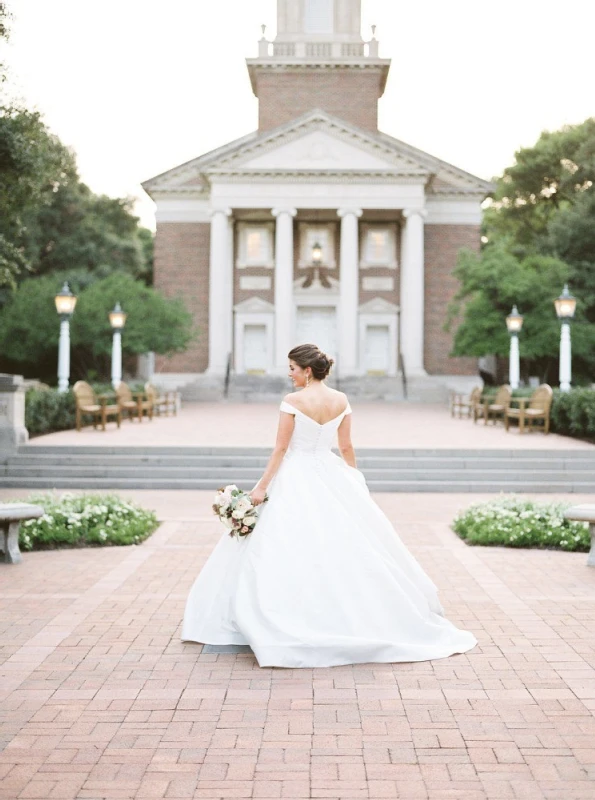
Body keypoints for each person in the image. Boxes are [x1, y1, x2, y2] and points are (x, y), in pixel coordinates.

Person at [181, 343, 477, 668]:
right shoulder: (341, 400)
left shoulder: (293, 402)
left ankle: (292, 613)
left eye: (292, 368)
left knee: (286, 546)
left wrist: (261, 487)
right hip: (331, 472)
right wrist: (354, 480)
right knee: (342, 544)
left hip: (295, 475)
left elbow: (280, 449)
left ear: (307, 371)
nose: (289, 374)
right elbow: (346, 445)